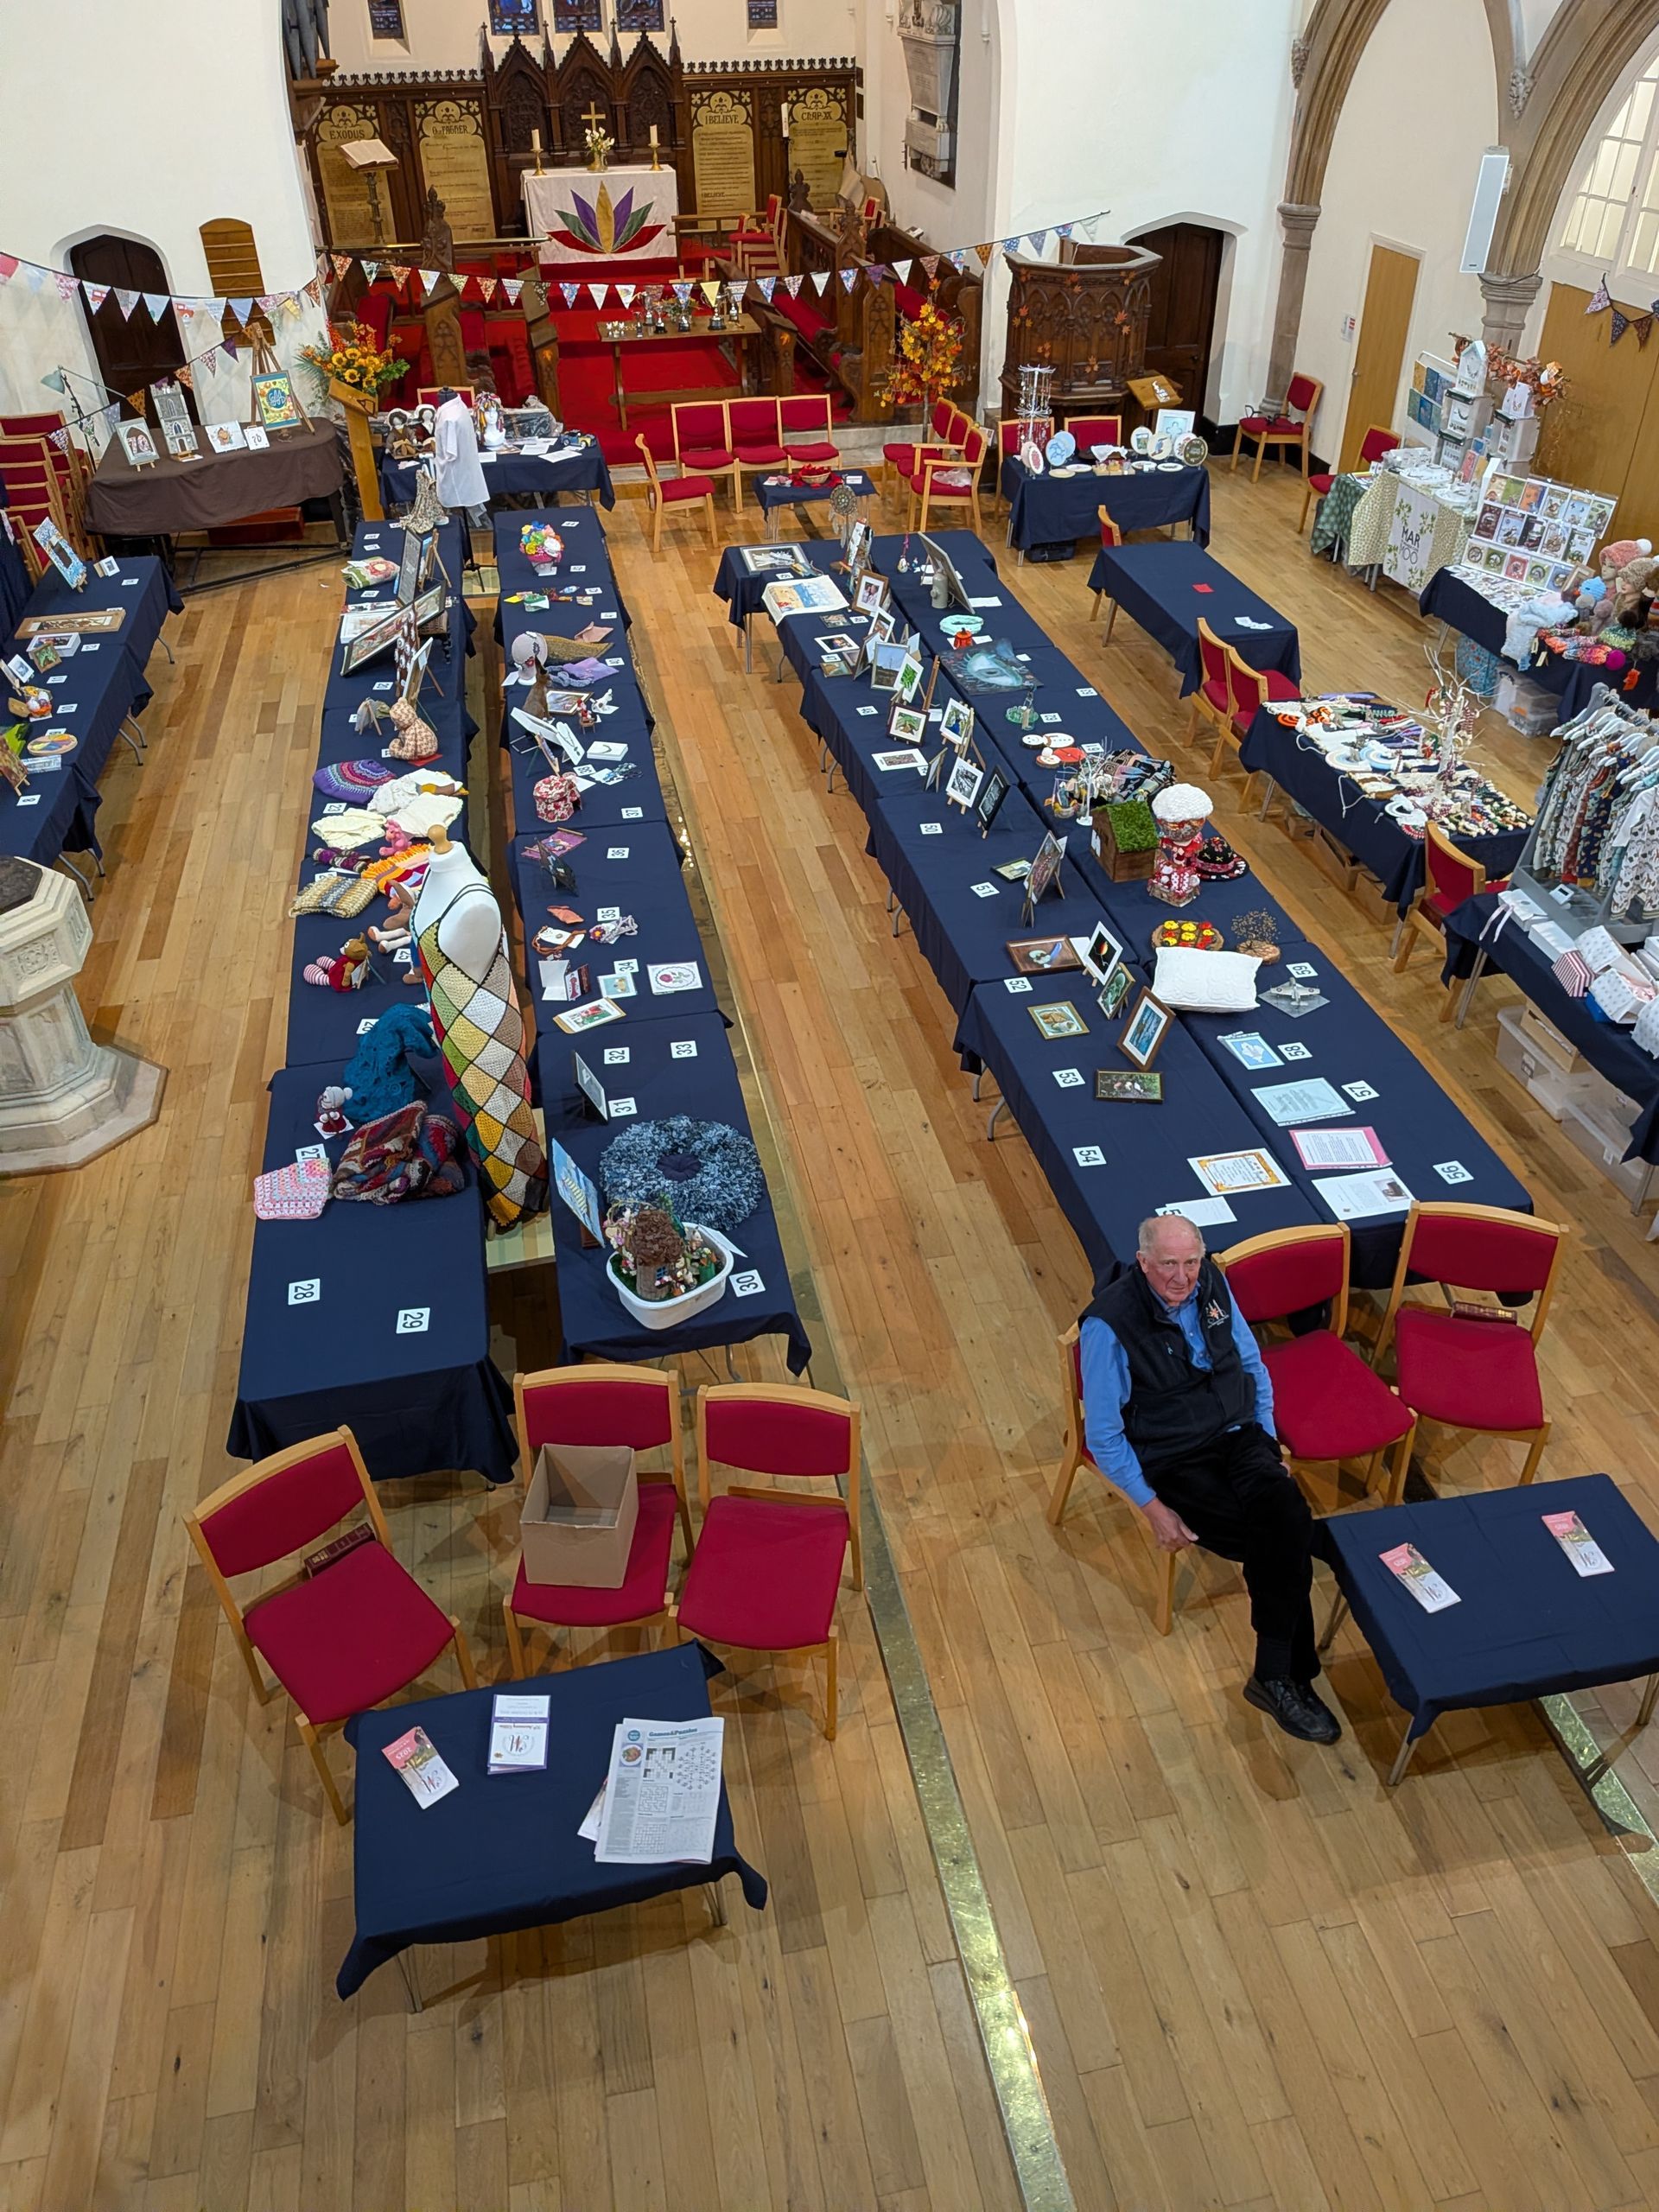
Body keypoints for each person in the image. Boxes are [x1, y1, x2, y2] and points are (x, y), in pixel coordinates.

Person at [1079, 1212, 1339, 1745]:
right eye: (1169, 1265)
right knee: (1285, 1537)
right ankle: (1286, 1675)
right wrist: (1153, 1508)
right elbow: (1104, 1437)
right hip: (1175, 1456)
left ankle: (1275, 1675)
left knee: (1282, 1517)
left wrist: (1267, 1442)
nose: (1182, 1277)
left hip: (1238, 1434)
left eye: (1191, 1262)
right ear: (1143, 1263)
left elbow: (1250, 1363)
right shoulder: (1108, 1325)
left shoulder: (1212, 1282)